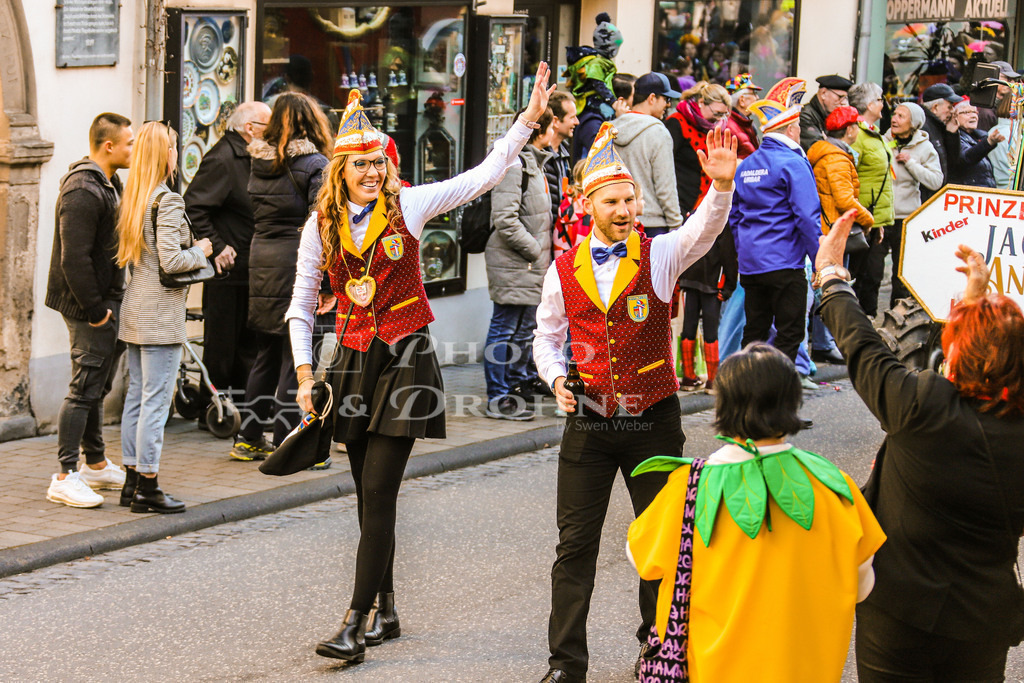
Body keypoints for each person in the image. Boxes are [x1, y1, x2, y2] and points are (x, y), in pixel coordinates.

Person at [288, 64, 557, 664]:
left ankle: (355, 623)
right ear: (340, 171)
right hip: (354, 359)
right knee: (364, 491)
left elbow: (482, 178)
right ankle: (387, 606)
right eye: (360, 164)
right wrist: (306, 376)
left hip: (407, 357)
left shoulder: (408, 206)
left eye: (378, 161)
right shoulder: (320, 227)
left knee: (380, 488)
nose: (372, 172)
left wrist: (525, 123)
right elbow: (301, 306)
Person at [533, 121, 737, 683]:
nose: (624, 209)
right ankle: (565, 666)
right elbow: (546, 337)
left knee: (662, 544)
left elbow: (702, 231)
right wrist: (555, 380)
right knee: (574, 548)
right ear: (588, 203)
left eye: (630, 199)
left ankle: (659, 651)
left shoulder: (661, 254)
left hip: (652, 420)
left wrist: (720, 188)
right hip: (591, 424)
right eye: (613, 201)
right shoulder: (563, 269)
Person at [815, 209, 1024, 682]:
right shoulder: (967, 415)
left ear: (954, 352)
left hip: (900, 613)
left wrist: (830, 275)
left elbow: (863, 346)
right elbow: (970, 390)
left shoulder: (922, 405)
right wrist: (976, 303)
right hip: (982, 619)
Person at [627, 343, 885, 682]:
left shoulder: (689, 487)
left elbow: (641, 558)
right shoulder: (834, 487)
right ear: (792, 402)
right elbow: (863, 585)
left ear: (724, 406)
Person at [115, 121, 214, 513]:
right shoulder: (168, 200)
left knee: (136, 400)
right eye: (173, 146)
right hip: (159, 315)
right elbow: (173, 262)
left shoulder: (135, 197)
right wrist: (203, 249)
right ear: (164, 154)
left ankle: (131, 480)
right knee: (155, 402)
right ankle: (149, 486)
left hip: (136, 309)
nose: (176, 152)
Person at [231, 92, 332, 462]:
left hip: (262, 259)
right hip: (296, 261)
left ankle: (249, 436)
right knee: (296, 354)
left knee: (267, 353)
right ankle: (289, 442)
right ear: (313, 122)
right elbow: (323, 225)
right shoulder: (315, 164)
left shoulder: (258, 162)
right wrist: (326, 285)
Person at [44, 113, 134, 508]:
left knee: (97, 386)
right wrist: (96, 310)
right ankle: (65, 474)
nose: (133, 149)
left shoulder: (110, 182)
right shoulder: (82, 188)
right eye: (129, 143)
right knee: (84, 389)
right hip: (89, 305)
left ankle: (95, 463)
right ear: (108, 145)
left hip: (106, 299)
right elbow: (73, 258)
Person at [183, 101, 271, 424]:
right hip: (228, 270)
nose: (273, 134)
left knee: (247, 344)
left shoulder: (250, 156)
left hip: (250, 267)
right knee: (222, 346)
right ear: (250, 129)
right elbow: (193, 207)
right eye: (268, 127)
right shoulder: (222, 158)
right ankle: (215, 409)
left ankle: (244, 411)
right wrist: (217, 247)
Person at [731, 78, 821, 366]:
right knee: (790, 333)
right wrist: (820, 261)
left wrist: (743, 249)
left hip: (752, 263)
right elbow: (807, 217)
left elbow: (734, 216)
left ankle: (745, 391)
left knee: (754, 332)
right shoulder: (794, 162)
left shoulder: (746, 165)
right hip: (785, 263)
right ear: (791, 129)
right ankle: (775, 398)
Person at [484, 106, 555, 420]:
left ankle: (514, 385)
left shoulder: (534, 163)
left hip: (528, 264)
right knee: (504, 329)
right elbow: (505, 218)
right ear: (540, 131)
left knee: (524, 328)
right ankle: (497, 396)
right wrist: (535, 250)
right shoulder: (514, 165)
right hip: (515, 262)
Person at [883, 102, 942, 309]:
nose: (895, 119)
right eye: (895, 114)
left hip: (906, 219)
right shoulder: (883, 141)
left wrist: (911, 163)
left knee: (901, 274)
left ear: (913, 124)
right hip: (881, 217)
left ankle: (896, 316)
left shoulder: (925, 147)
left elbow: (936, 181)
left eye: (901, 116)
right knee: (870, 273)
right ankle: (868, 317)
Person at [613, 72, 683, 238]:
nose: (668, 105)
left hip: (616, 220)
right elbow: (665, 187)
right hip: (653, 225)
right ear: (652, 98)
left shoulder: (610, 129)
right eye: (666, 99)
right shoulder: (658, 132)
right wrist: (676, 227)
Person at [849, 82, 894, 318]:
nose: (883, 104)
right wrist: (863, 217)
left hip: (874, 218)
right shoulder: (857, 134)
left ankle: (864, 324)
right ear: (868, 104)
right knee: (860, 275)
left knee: (872, 276)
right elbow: (849, 175)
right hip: (861, 218)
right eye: (879, 99)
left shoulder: (872, 131)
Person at [919, 82, 964, 201]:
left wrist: (951, 133)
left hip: (936, 195)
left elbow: (952, 163)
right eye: (949, 107)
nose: (953, 111)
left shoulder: (939, 126)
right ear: (935, 107)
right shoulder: (922, 126)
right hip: (924, 196)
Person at [545, 92, 578, 249]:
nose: (577, 122)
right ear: (556, 121)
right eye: (572, 118)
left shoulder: (565, 152)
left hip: (556, 240)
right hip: (541, 241)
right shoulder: (539, 154)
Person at [949, 98, 1003, 189]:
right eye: (967, 112)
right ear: (954, 116)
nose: (973, 116)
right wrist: (988, 143)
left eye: (975, 112)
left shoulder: (980, 137)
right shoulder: (953, 137)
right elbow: (966, 158)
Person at [799, 74, 853, 151]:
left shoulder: (825, 114)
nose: (844, 102)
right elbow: (817, 149)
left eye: (845, 98)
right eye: (840, 97)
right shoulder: (805, 116)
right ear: (823, 93)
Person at [724, 73, 762, 159]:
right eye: (754, 93)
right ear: (742, 100)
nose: (757, 97)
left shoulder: (744, 123)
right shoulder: (729, 128)